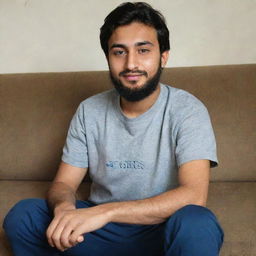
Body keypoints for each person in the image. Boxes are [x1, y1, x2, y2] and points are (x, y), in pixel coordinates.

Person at [3, 2, 224, 256]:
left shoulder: (188, 110)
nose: (131, 64)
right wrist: (64, 208)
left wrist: (105, 212)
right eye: (119, 52)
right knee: (24, 216)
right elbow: (63, 183)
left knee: (197, 223)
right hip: (99, 232)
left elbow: (194, 195)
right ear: (108, 57)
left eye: (143, 50)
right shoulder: (89, 110)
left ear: (164, 56)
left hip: (161, 228)